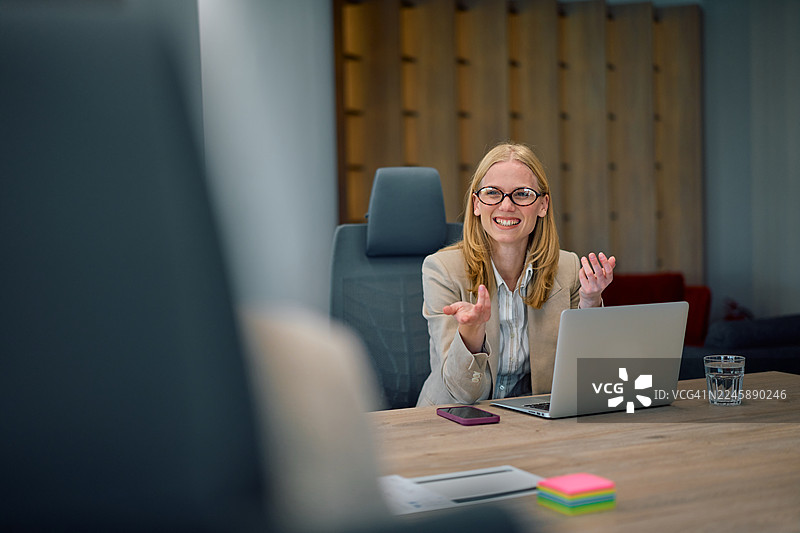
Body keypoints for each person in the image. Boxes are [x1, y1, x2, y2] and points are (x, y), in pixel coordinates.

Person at [416, 142, 616, 406]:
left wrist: (590, 302)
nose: (506, 206)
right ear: (477, 204)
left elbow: (588, 376)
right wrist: (470, 335)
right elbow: (462, 393)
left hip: (535, 418)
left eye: (521, 194)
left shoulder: (568, 268)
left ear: (542, 205)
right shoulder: (442, 269)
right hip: (452, 420)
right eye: (492, 193)